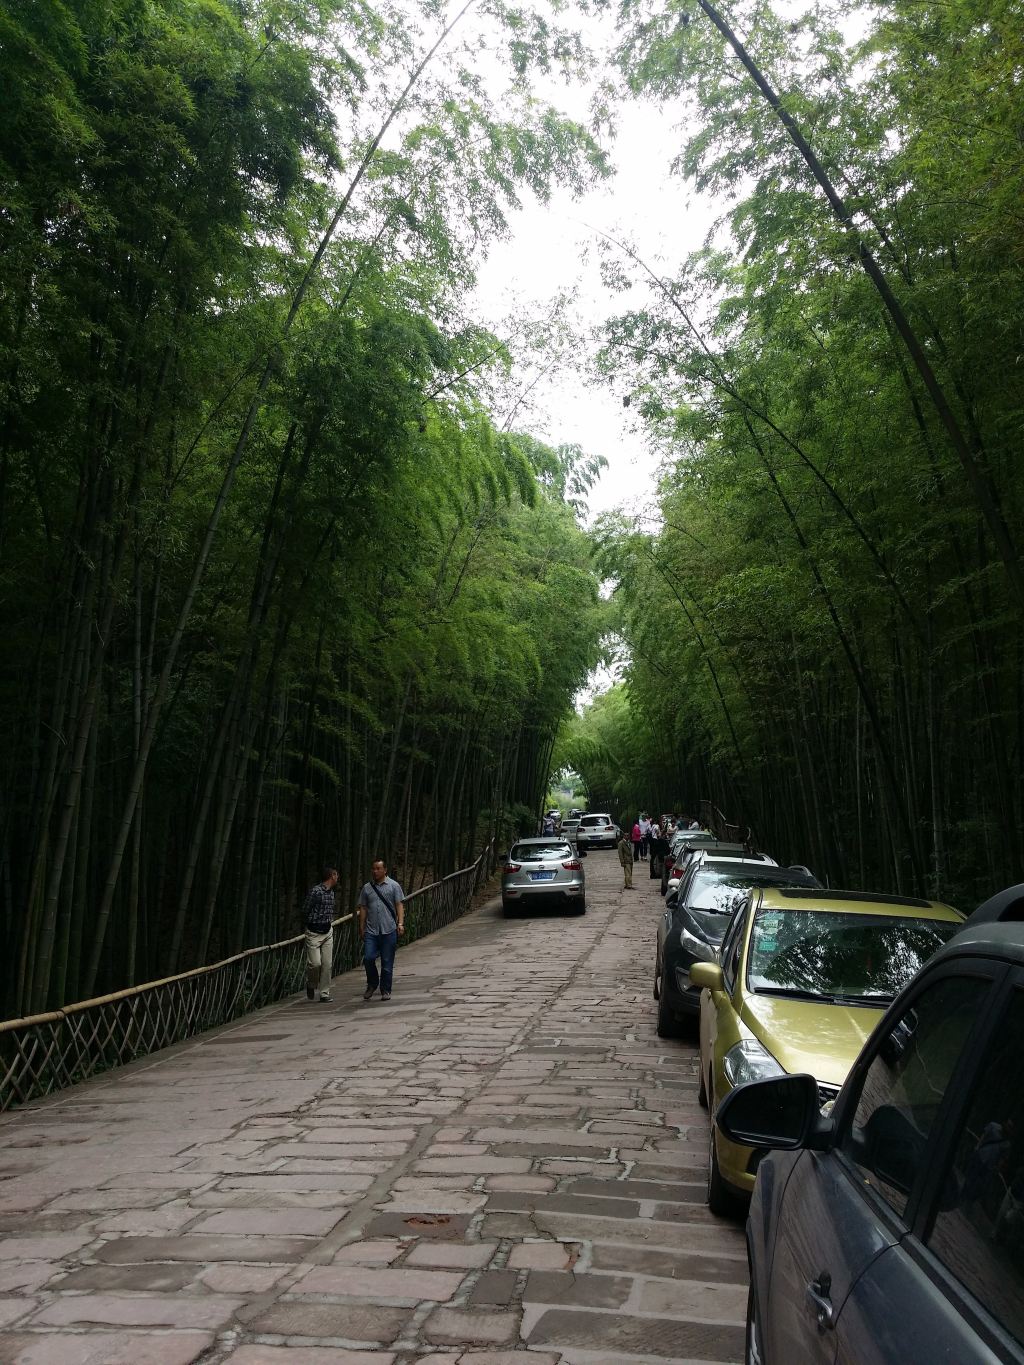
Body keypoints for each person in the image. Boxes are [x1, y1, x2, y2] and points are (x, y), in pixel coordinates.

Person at [358, 858, 406, 1002]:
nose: (375, 871)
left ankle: (386, 989)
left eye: (378, 868)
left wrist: (401, 923)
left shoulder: (393, 886)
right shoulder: (367, 888)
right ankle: (372, 983)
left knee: (387, 962)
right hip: (372, 930)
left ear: (385, 870)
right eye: (373, 869)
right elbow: (363, 908)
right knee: (368, 958)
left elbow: (399, 905)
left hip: (389, 929)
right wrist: (361, 927)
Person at [302, 866, 338, 1002]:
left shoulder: (332, 892)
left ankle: (324, 993)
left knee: (327, 964)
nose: (337, 878)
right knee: (315, 964)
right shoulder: (316, 891)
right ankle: (311, 984)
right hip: (313, 933)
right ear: (332, 876)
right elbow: (305, 908)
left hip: (327, 931)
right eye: (336, 875)